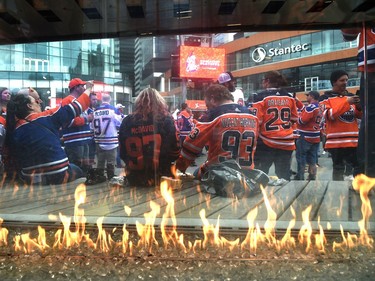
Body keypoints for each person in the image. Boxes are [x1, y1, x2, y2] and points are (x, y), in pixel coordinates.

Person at [4, 81, 93, 185]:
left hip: (30, 178)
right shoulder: (45, 118)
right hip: (58, 174)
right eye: (36, 102)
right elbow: (76, 107)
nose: (40, 102)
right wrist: (88, 89)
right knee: (78, 169)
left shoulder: (14, 128)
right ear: (30, 106)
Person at [176, 84, 259, 178]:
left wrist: (179, 167)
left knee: (195, 174)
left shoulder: (212, 115)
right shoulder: (252, 114)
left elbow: (190, 146)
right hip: (247, 173)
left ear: (213, 99)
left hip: (219, 174)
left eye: (208, 106)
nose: (208, 109)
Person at [118, 88, 180, 187]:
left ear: (138, 103)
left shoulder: (126, 121)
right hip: (162, 179)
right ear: (159, 102)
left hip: (134, 179)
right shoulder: (167, 120)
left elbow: (122, 154)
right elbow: (175, 152)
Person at [249, 71, 298, 182]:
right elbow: (295, 118)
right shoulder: (289, 97)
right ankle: (286, 198)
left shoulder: (259, 96)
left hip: (266, 142)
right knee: (284, 176)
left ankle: (261, 199)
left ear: (267, 81)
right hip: (286, 142)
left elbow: (256, 121)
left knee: (260, 176)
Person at [342, 26, 375, 177]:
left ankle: (367, 173)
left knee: (372, 117)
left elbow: (349, 33)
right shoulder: (328, 99)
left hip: (372, 62)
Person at [319, 70, 362, 180]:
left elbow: (359, 116)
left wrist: (359, 107)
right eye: (342, 80)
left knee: (358, 167)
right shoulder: (325, 98)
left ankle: (359, 189)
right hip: (336, 141)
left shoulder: (351, 96)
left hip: (353, 140)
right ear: (334, 82)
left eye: (346, 80)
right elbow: (328, 115)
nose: (345, 82)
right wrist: (347, 103)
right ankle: (337, 192)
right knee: (338, 168)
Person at [61, 78, 94, 173]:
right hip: (74, 140)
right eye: (82, 86)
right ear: (76, 88)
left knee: (85, 168)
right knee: (76, 167)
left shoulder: (80, 100)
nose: (84, 88)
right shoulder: (67, 101)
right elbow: (68, 121)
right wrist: (86, 119)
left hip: (83, 139)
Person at [93, 93, 122, 180]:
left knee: (100, 161)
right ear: (110, 100)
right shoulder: (113, 110)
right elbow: (120, 123)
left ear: (101, 100)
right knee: (111, 161)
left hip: (99, 140)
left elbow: (91, 127)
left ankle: (100, 176)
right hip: (111, 140)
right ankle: (110, 176)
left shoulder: (95, 111)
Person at [295, 91, 322, 180]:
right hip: (316, 136)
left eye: (308, 96)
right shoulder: (321, 106)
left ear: (312, 96)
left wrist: (296, 119)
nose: (307, 98)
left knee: (301, 158)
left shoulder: (311, 107)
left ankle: (300, 176)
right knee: (313, 159)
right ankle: (312, 176)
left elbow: (302, 121)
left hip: (306, 136)